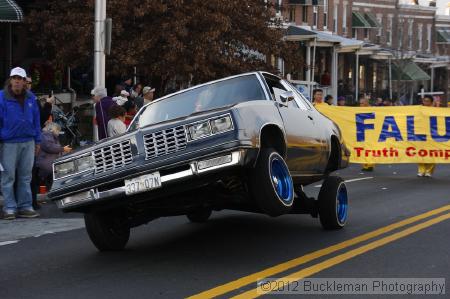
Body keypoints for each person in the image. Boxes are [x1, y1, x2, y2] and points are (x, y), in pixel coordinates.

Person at [0, 67, 41, 219]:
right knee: (8, 176)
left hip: (29, 141)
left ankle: (25, 206)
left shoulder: (31, 98)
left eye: (20, 78)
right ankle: (9, 207)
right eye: (14, 78)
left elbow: (37, 120)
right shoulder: (1, 97)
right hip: (8, 142)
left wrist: (38, 141)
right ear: (10, 80)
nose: (17, 81)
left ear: (24, 82)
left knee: (25, 176)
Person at [35, 123, 72, 190]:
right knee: (43, 184)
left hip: (49, 164)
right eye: (58, 130)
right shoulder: (46, 135)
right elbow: (50, 147)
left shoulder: (51, 136)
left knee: (48, 184)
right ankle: (43, 194)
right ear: (53, 129)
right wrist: (63, 149)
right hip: (45, 165)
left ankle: (46, 192)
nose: (58, 132)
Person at [417, 95, 436, 177]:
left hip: (432, 135)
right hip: (421, 134)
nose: (426, 103)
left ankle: (429, 171)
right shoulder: (419, 110)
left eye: (428, 101)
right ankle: (421, 170)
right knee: (420, 152)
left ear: (431, 102)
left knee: (432, 153)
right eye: (425, 101)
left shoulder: (436, 111)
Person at [359, 95, 375, 172]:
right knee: (363, 149)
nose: (360, 104)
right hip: (361, 132)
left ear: (366, 103)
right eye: (360, 103)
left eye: (362, 103)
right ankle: (365, 165)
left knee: (370, 149)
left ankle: (370, 164)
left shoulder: (371, 109)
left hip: (370, 132)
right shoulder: (358, 110)